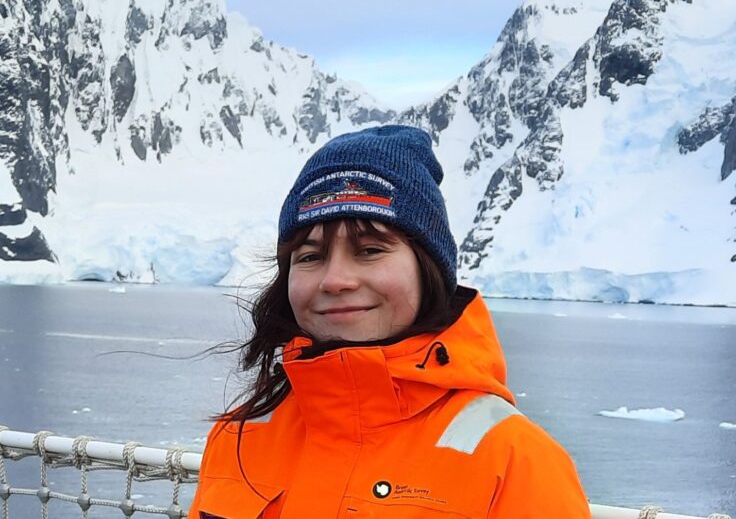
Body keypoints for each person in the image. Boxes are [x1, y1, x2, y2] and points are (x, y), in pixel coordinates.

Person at [188, 125, 591, 518]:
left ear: (427, 268)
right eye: (310, 256)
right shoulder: (239, 436)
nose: (335, 280)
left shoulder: (514, 459)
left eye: (369, 250)